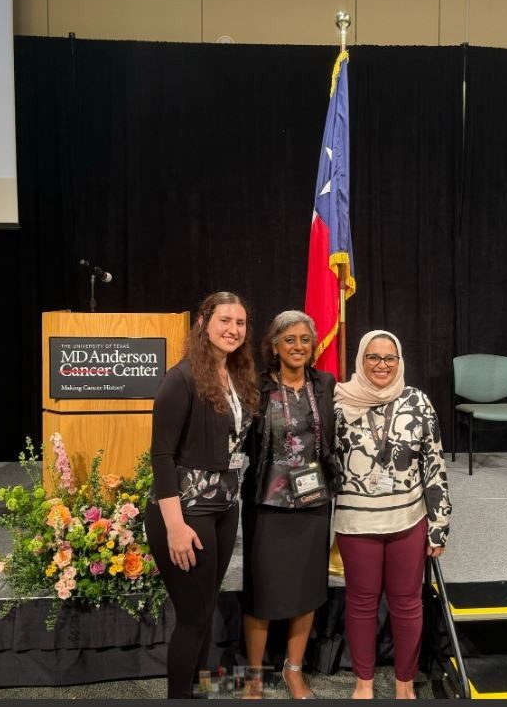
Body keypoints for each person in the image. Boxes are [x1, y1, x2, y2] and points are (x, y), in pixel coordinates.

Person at [144, 291, 260, 699]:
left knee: (205, 610)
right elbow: (161, 456)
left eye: (240, 323)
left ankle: (193, 692)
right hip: (186, 513)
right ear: (203, 323)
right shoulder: (181, 378)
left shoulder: (237, 375)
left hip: (225, 509)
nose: (233, 329)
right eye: (225, 320)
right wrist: (175, 527)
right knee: (193, 618)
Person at [333, 330, 451, 700]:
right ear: (360, 360)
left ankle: (404, 683)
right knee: (361, 603)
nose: (381, 365)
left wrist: (440, 525)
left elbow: (434, 463)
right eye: (373, 357)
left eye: (389, 358)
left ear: (399, 362)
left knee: (407, 603)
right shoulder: (338, 402)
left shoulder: (418, 401)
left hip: (407, 520)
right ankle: (363, 683)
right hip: (356, 522)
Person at [241, 310, 336, 699]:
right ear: (275, 346)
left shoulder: (326, 384)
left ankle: (293, 670)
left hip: (314, 501)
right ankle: (253, 676)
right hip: (267, 501)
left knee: (308, 587)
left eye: (305, 340)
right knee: (261, 589)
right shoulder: (257, 387)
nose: (298, 346)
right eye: (290, 339)